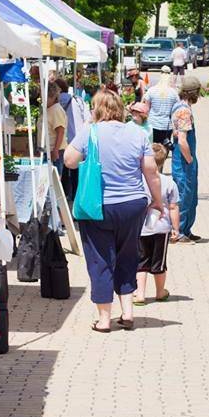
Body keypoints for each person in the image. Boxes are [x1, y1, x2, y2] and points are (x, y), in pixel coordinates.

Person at [64, 91, 163, 332]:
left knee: (100, 260)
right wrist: (158, 201)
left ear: (96, 108)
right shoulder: (138, 133)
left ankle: (104, 319)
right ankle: (128, 313)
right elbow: (151, 170)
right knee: (128, 256)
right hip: (132, 206)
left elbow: (69, 160)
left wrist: (87, 130)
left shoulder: (91, 132)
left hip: (98, 207)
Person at [134, 143, 180, 305]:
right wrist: (176, 229)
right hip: (162, 228)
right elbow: (173, 207)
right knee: (159, 263)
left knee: (141, 262)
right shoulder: (169, 182)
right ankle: (160, 291)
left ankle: (140, 294)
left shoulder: (138, 180)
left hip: (141, 228)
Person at [170, 75, 202, 242]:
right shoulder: (183, 111)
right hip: (183, 161)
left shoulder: (180, 107)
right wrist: (190, 159)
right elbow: (182, 139)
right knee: (184, 194)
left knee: (191, 196)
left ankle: (187, 229)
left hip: (184, 159)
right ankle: (179, 231)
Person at [143, 66, 179, 146]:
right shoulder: (173, 92)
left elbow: (146, 109)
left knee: (153, 148)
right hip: (167, 125)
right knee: (164, 149)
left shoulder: (151, 90)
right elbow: (176, 111)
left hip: (153, 124)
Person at [56, 77, 79, 200]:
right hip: (75, 137)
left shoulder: (55, 101)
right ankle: (75, 195)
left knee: (62, 169)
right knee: (75, 169)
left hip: (62, 139)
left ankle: (63, 194)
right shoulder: (75, 100)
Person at [45, 82, 67, 174]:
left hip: (54, 151)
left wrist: (56, 150)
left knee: (54, 180)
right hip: (49, 150)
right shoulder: (49, 108)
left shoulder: (56, 110)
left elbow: (60, 131)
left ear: (53, 97)